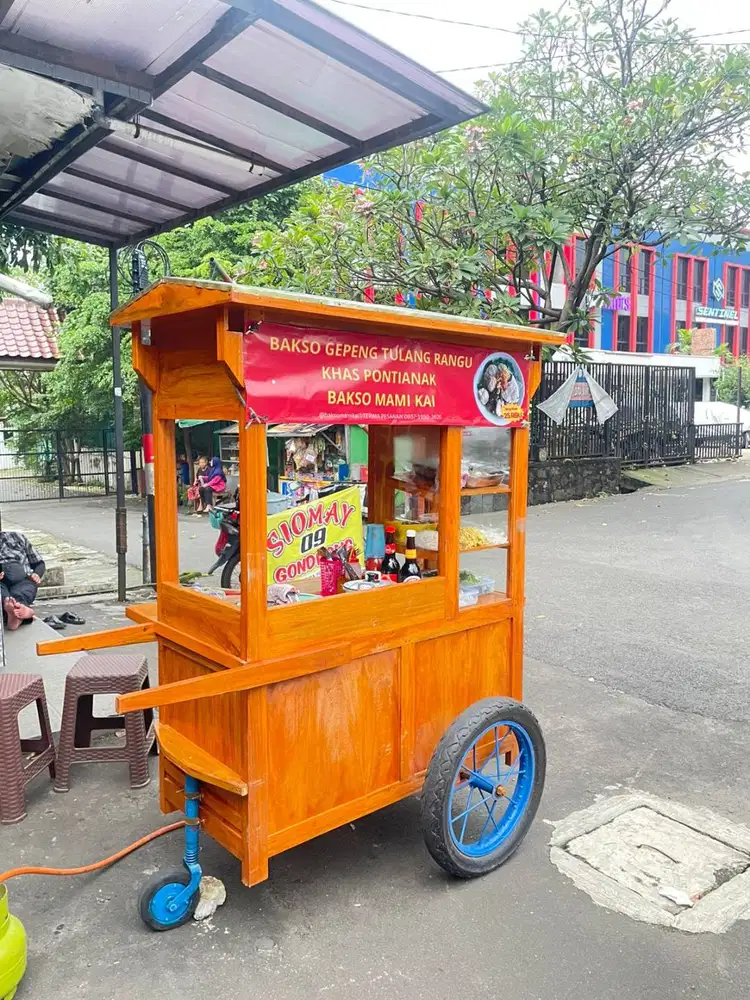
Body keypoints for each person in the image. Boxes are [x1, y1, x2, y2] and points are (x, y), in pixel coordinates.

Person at [0, 530, 45, 629]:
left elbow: (39, 563)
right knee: (4, 598)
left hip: (24, 578)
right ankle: (16, 613)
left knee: (23, 591)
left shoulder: (17, 536)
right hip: (1, 581)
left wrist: (36, 574)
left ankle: (20, 611)